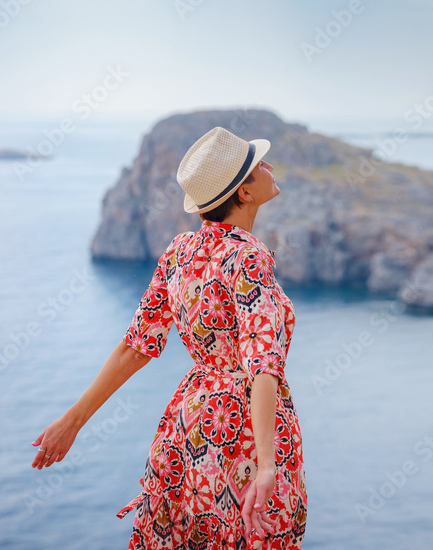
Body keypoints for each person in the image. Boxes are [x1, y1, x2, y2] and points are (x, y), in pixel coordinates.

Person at [30, 126, 308, 549]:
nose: (268, 166)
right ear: (245, 195)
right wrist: (267, 465)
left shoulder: (180, 251)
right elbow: (262, 368)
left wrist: (72, 422)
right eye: (256, 165)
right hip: (242, 436)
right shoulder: (250, 257)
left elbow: (135, 347)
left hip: (188, 427)